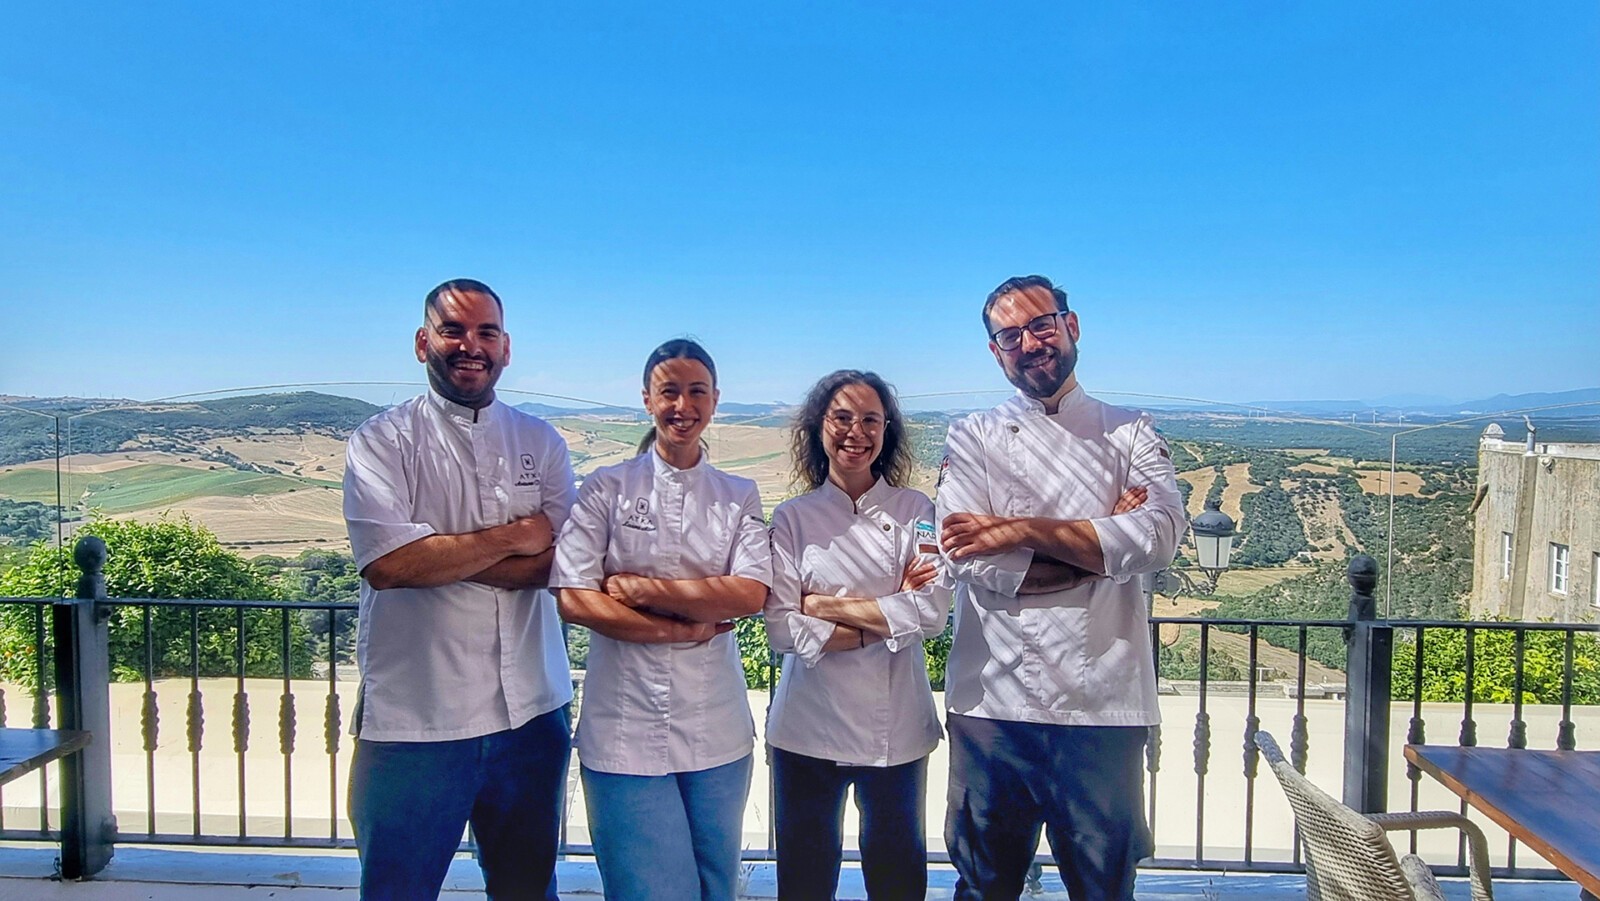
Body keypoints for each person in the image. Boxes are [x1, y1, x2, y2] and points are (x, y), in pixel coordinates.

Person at [935, 275, 1186, 901]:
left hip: (1101, 703)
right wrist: (1103, 543)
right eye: (1010, 335)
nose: (1030, 342)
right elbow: (971, 559)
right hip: (992, 703)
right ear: (997, 352)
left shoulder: (1130, 430)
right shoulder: (973, 435)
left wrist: (1015, 528)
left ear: (1070, 327)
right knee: (984, 884)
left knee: (1103, 886)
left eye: (1041, 325)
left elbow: (1159, 536)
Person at [342, 278, 575, 901]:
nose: (470, 345)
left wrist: (438, 550)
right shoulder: (381, 441)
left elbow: (564, 563)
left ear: (506, 348)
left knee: (528, 889)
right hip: (416, 719)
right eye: (453, 330)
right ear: (423, 343)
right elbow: (388, 565)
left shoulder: (541, 441)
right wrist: (516, 534)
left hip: (533, 712)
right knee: (397, 890)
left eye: (486, 332)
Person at [551, 338, 772, 901]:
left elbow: (748, 592)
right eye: (669, 391)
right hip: (624, 725)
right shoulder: (607, 487)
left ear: (715, 400)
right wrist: (683, 627)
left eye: (696, 391)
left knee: (715, 881)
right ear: (647, 400)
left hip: (716, 723)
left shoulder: (737, 494)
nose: (683, 405)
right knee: (645, 887)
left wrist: (640, 591)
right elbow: (574, 595)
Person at [764, 370, 953, 900]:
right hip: (805, 731)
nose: (856, 431)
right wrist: (891, 615)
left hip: (896, 732)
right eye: (842, 417)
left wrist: (822, 606)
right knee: (803, 881)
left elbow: (934, 611)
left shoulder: (917, 513)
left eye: (870, 419)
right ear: (818, 427)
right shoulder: (792, 519)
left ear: (886, 429)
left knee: (897, 881)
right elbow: (782, 627)